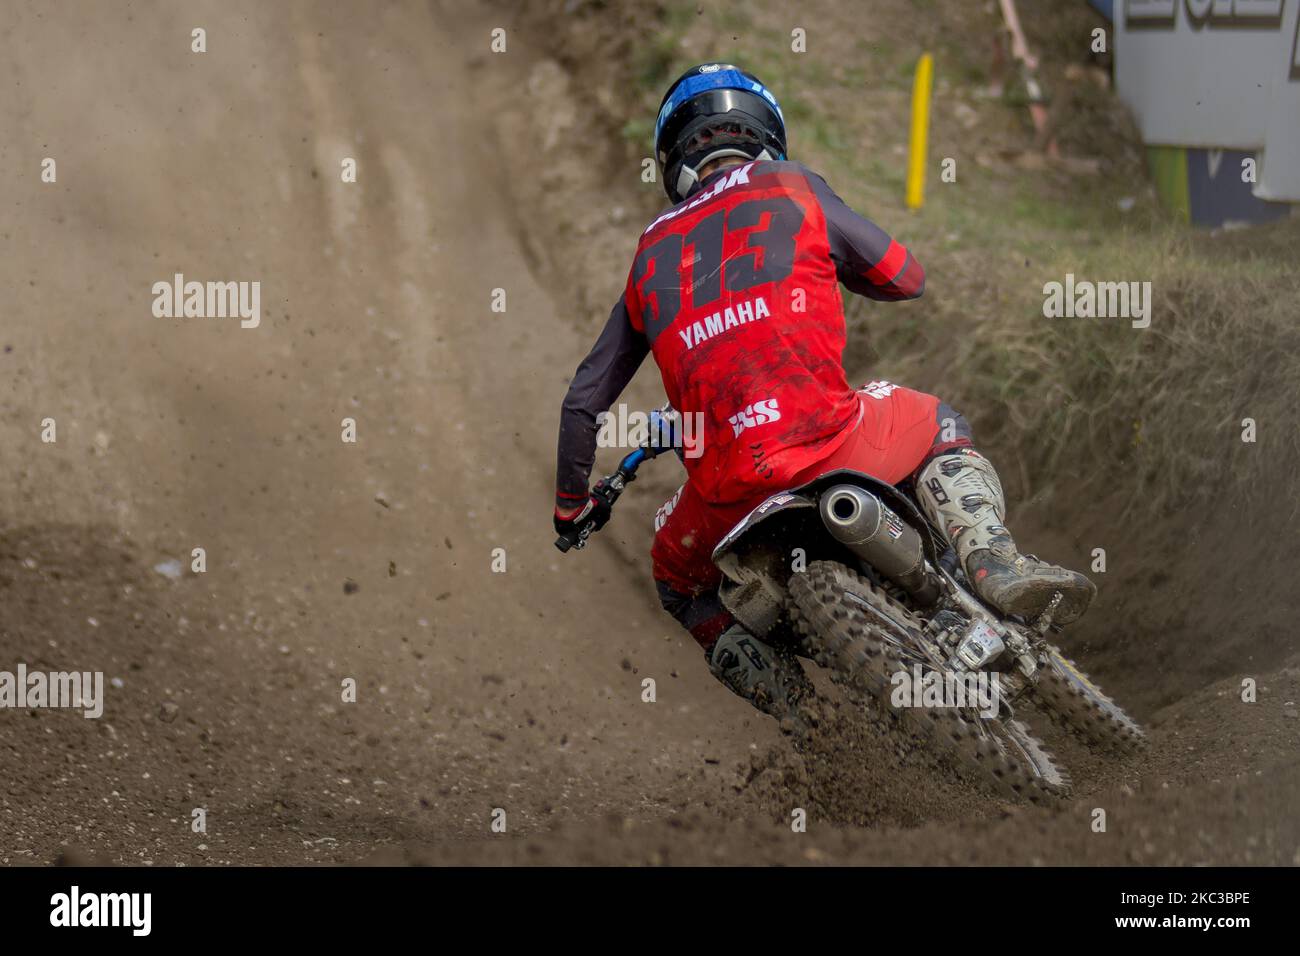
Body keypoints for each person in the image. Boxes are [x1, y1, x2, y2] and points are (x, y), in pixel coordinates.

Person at [553, 63, 1095, 719]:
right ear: (763, 132)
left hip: (727, 499)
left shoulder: (649, 251)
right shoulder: (793, 186)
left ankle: (802, 716)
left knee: (674, 581)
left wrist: (570, 509)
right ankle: (995, 565)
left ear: (673, 154)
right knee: (936, 422)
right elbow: (905, 275)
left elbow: (584, 400)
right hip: (833, 442)